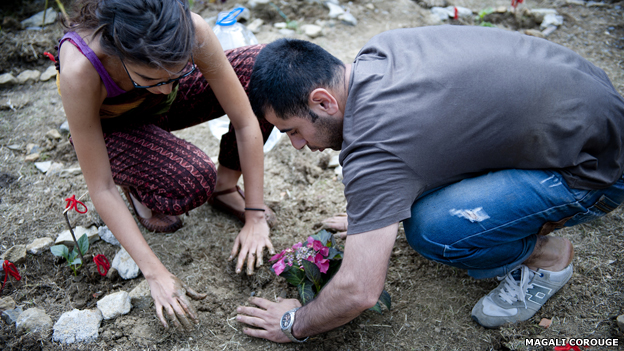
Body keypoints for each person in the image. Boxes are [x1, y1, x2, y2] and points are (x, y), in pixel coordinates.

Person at [235, 25, 624, 341]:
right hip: (596, 103)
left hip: (597, 168)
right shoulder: (381, 53)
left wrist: (294, 323)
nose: (298, 145)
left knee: (431, 230)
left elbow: (359, 290)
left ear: (323, 102)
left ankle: (547, 259)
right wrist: (374, 216)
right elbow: (431, 139)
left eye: (292, 130)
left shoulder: (375, 148)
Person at [56, 0, 276, 330]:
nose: (166, 88)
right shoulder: (81, 68)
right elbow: (100, 187)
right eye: (150, 77)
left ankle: (226, 186)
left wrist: (255, 215)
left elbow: (245, 120)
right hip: (112, 128)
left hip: (157, 110)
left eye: (179, 71)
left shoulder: (190, 32)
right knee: (191, 179)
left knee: (265, 70)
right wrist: (155, 273)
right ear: (118, 51)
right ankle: (137, 180)